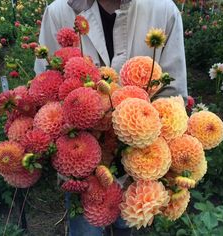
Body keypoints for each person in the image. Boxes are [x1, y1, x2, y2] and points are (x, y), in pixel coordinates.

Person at [34, 0, 188, 235]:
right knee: (85, 228)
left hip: (137, 160)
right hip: (79, 162)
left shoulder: (163, 10)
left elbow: (173, 95)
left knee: (127, 222)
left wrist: (141, 139)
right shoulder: (58, 13)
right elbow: (45, 88)